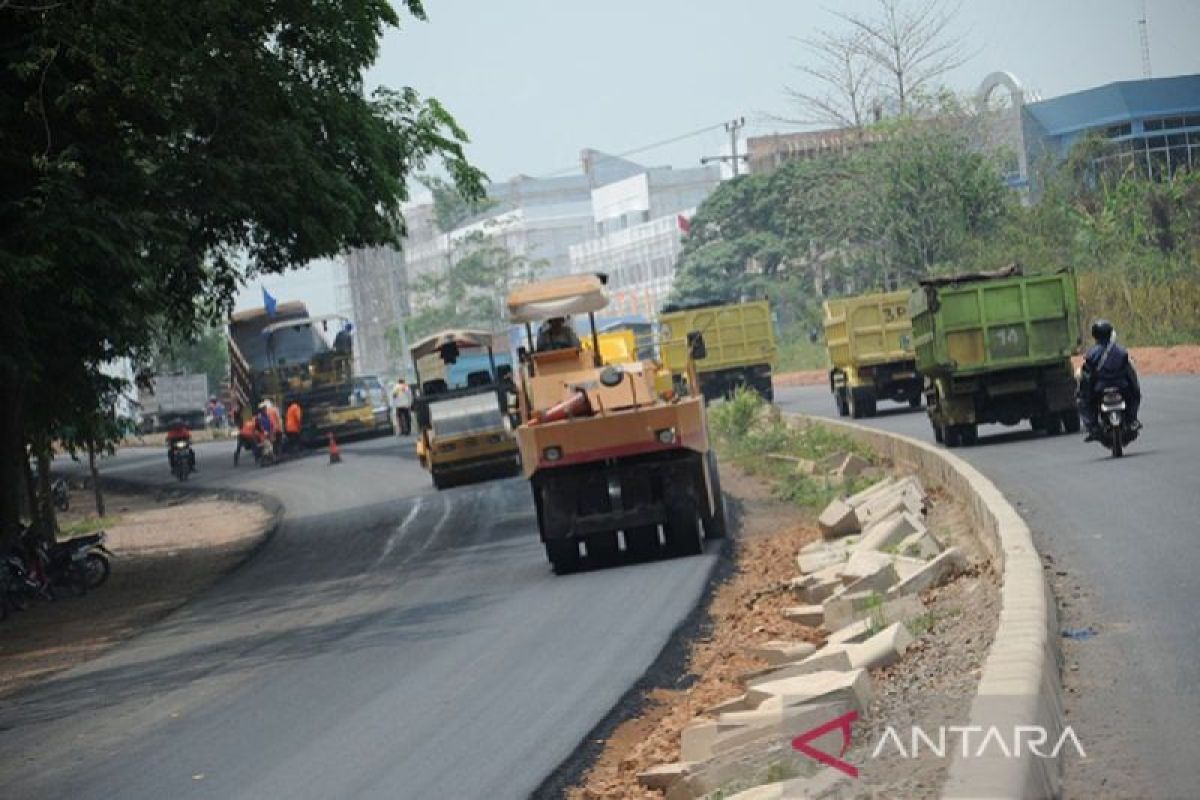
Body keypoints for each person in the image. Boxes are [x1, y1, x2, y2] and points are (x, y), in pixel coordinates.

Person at [1077, 319, 1142, 441]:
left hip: (1099, 389)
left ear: (1095, 335)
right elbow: (1130, 375)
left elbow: (1087, 378)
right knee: (1135, 395)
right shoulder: (1121, 351)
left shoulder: (1091, 354)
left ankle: (1093, 426)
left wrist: (1084, 392)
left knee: (1084, 401)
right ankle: (1132, 419)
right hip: (1122, 386)